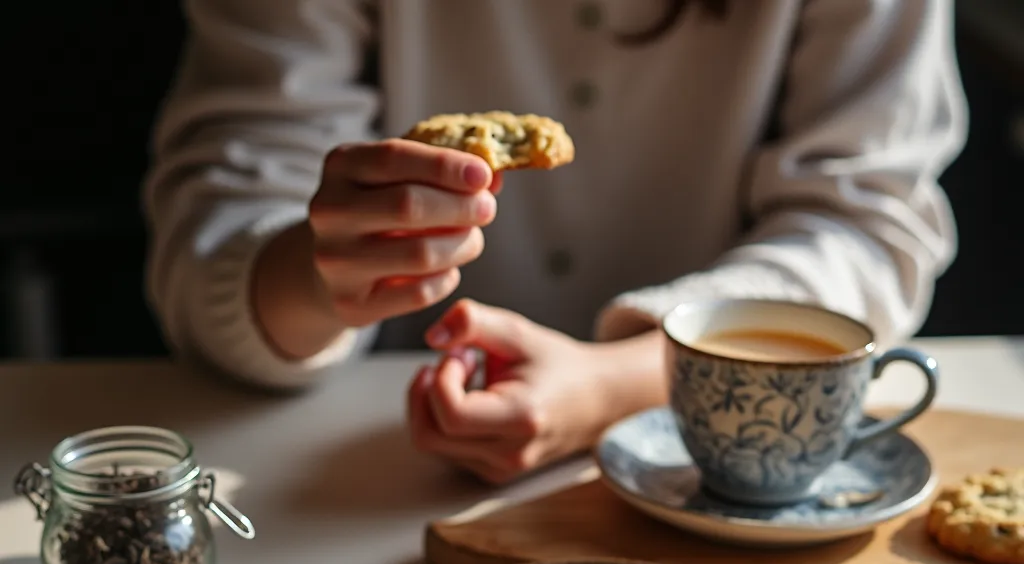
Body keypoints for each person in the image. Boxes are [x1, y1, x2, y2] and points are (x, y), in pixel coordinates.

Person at [145, 0, 966, 484]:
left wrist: (615, 385)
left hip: (698, 467)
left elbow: (865, 223)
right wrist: (321, 276)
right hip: (361, 468)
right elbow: (216, 224)